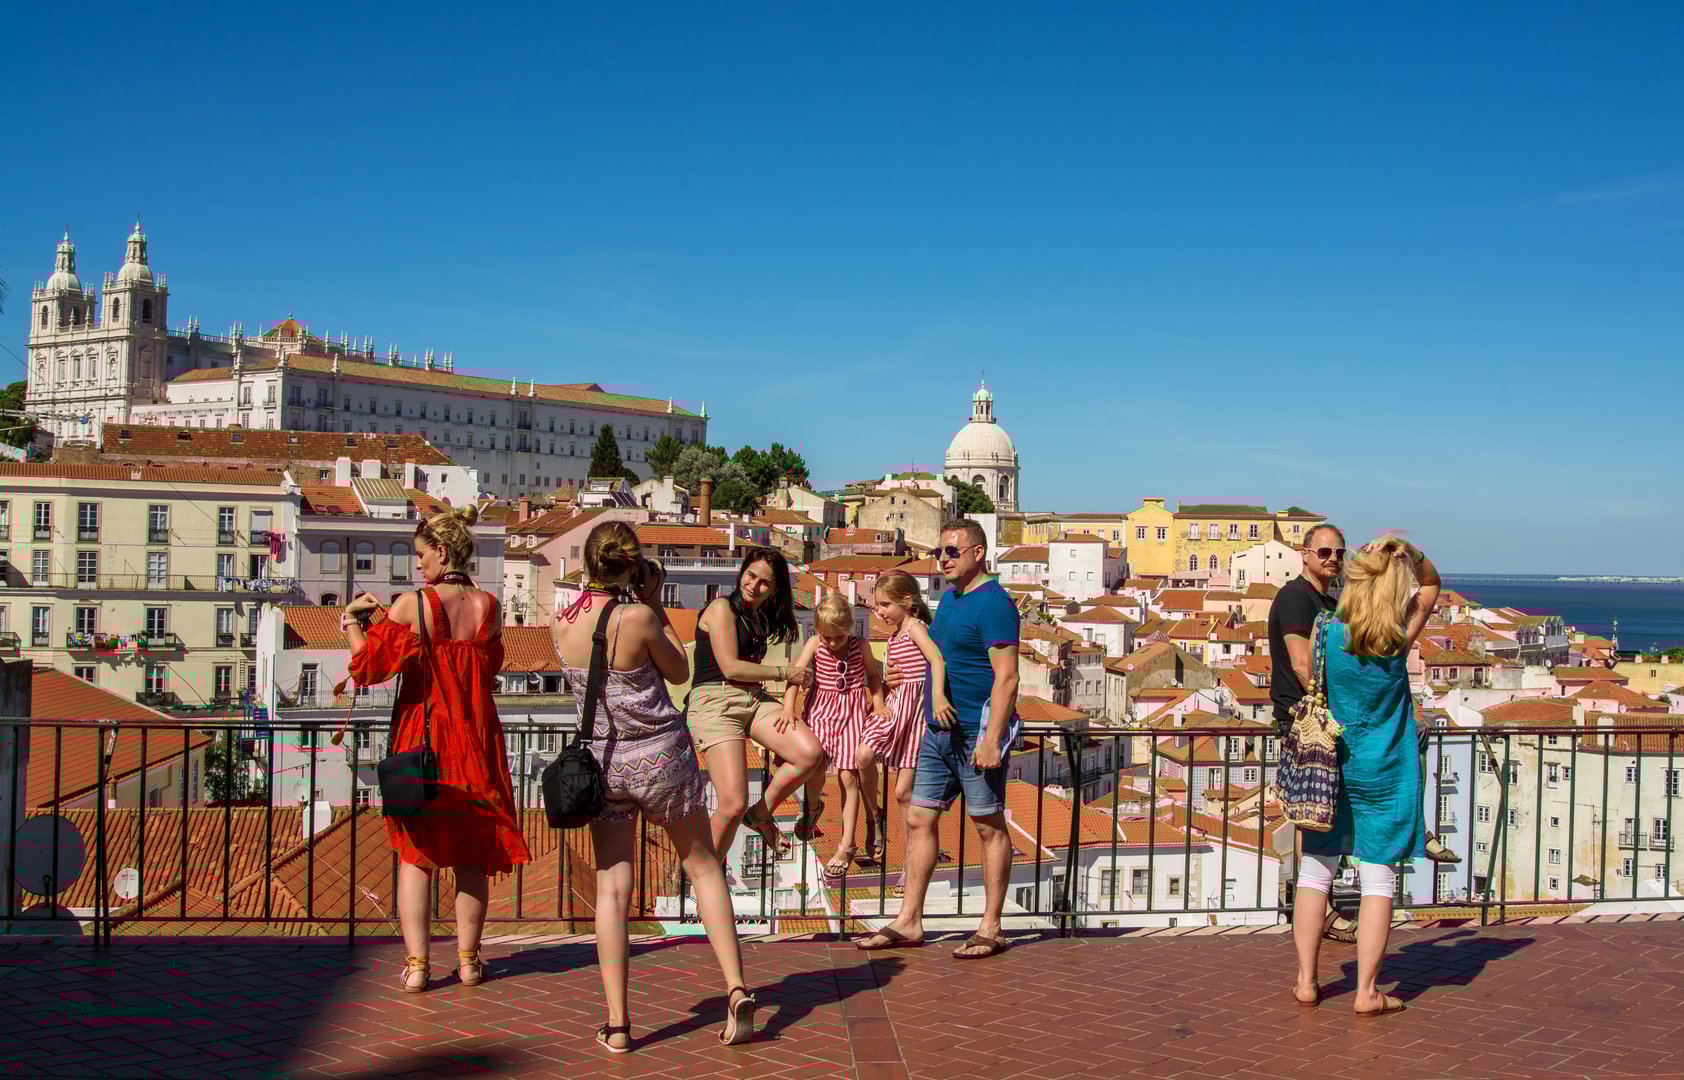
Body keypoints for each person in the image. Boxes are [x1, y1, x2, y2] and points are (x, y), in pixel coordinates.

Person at [554, 522, 755, 1051]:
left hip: (605, 762)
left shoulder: (562, 622)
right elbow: (679, 667)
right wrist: (653, 603)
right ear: (632, 564)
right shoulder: (639, 617)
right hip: (663, 758)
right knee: (704, 866)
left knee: (612, 889)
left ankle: (619, 1024)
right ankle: (735, 989)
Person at [342, 504, 532, 994]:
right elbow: (485, 671)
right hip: (477, 739)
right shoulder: (490, 608)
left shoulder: (415, 603)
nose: (418, 566)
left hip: (425, 739)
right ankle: (469, 962)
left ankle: (417, 966)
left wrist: (351, 623)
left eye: (422, 555)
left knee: (417, 853)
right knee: (472, 853)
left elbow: (367, 668)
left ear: (442, 551)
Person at [1291, 536, 1441, 1018]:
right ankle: (1367, 992)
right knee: (1379, 879)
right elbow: (1433, 584)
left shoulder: (1325, 629)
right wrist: (1409, 549)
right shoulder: (1395, 637)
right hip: (1387, 769)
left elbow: (1313, 679)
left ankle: (1307, 982)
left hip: (1331, 764)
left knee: (1316, 872)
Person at [856, 518, 1019, 959]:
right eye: (939, 553)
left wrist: (991, 739)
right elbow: (936, 659)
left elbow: (1006, 679)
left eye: (951, 551)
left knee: (987, 826)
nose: (943, 559)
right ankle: (909, 921)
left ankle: (991, 926)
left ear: (978, 553)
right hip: (936, 730)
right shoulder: (949, 601)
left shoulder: (995, 605)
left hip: (973, 733)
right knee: (917, 819)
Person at [688, 546, 820, 864]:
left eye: (764, 582)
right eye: (750, 575)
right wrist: (785, 672)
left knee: (810, 753)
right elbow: (731, 667)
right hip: (714, 701)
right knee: (731, 804)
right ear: (741, 573)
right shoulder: (721, 608)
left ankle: (760, 814)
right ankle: (704, 881)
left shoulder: (759, 616)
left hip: (753, 698)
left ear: (775, 589)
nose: (753, 585)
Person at [784, 592, 891, 884]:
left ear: (849, 631)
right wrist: (788, 708)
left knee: (848, 777)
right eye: (827, 637)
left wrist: (878, 703)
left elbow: (872, 675)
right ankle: (813, 806)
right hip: (820, 711)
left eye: (838, 638)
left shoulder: (861, 646)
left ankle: (847, 845)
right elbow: (796, 674)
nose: (832, 643)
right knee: (815, 767)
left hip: (851, 714)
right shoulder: (814, 644)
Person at [867, 570, 955, 847]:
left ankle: (910, 857)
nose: (879, 612)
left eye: (884, 605)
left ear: (906, 601)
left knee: (903, 792)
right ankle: (873, 815)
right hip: (898, 708)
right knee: (863, 755)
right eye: (877, 605)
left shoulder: (916, 627)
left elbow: (937, 659)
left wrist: (938, 696)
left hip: (915, 713)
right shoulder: (894, 638)